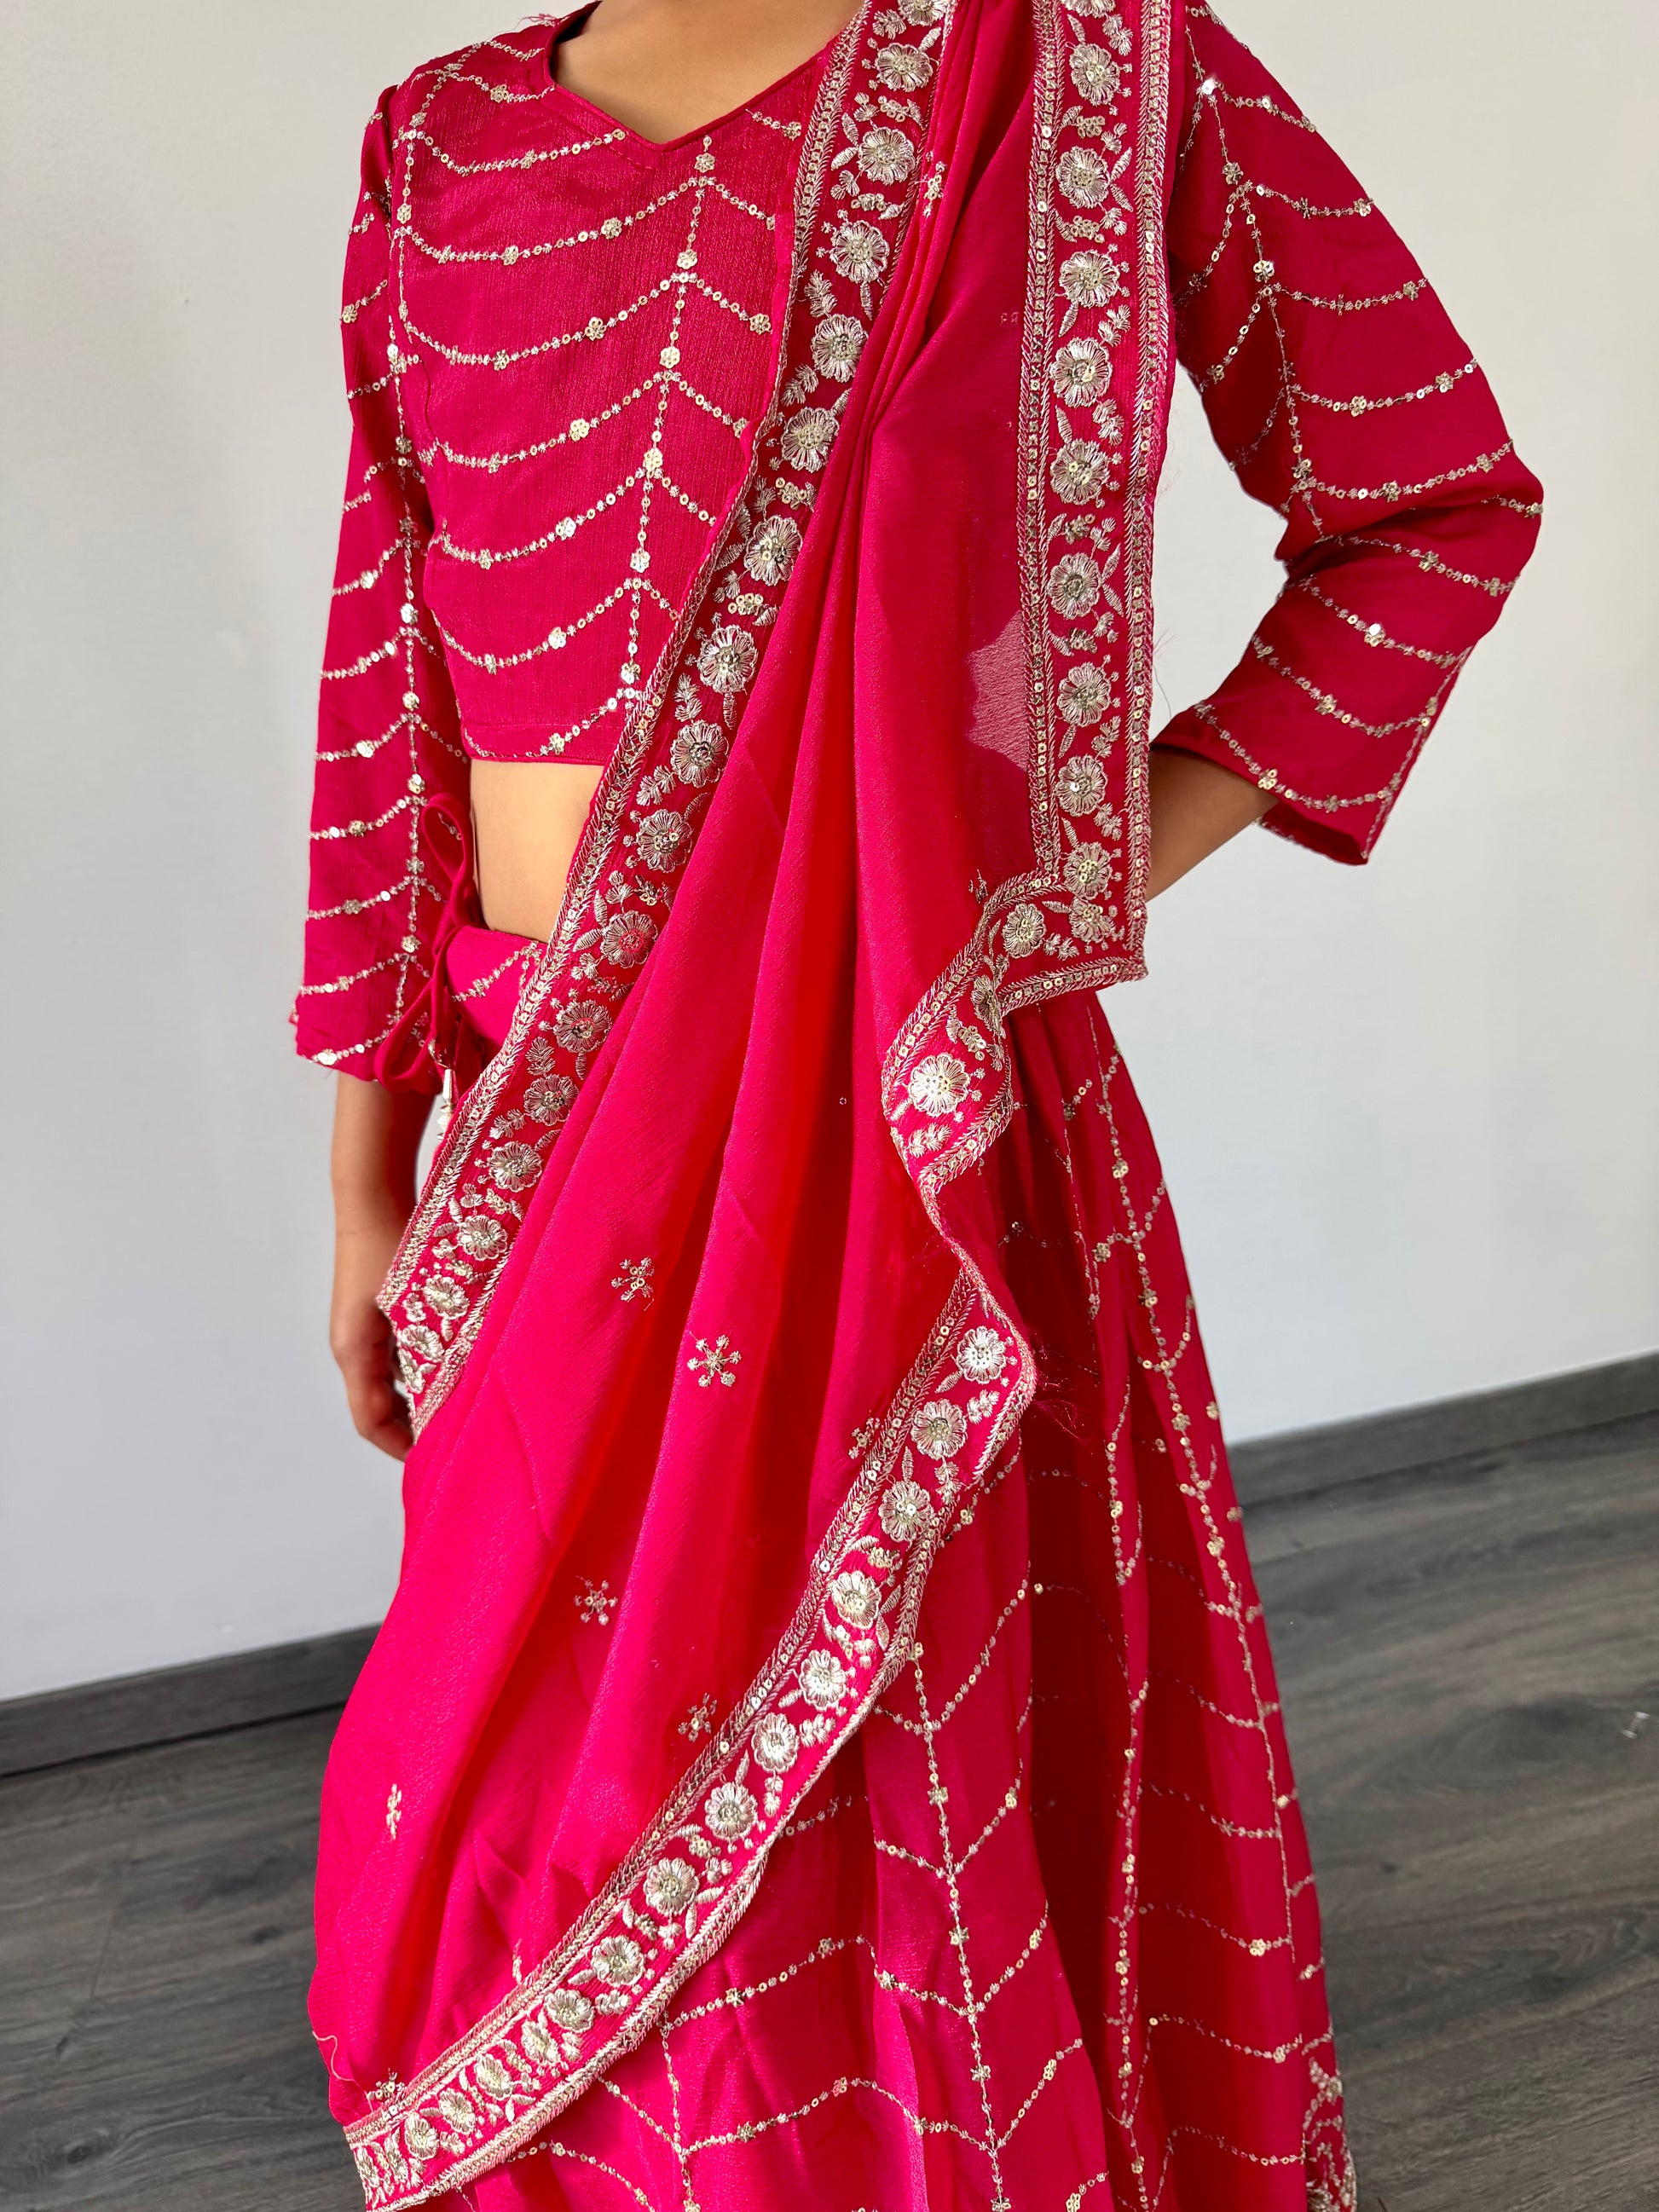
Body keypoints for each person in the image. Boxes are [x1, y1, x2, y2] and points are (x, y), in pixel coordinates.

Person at [296, 2, 1540, 2204]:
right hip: (542, 1131)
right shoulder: (438, 141)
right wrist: (362, 1167)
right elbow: (385, 682)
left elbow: (1428, 504)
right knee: (528, 1772)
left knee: (883, 1760)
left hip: (905, 1121)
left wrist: (1041, 882)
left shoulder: (1083, 66)